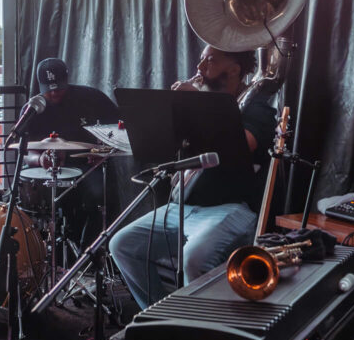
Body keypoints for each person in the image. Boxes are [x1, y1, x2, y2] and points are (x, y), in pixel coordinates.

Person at [109, 45, 276, 311]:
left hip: (230, 208)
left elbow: (242, 144)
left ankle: (201, 332)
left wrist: (197, 103)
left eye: (210, 60)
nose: (199, 68)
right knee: (121, 245)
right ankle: (161, 316)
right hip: (181, 206)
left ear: (234, 69)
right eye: (200, 60)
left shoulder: (258, 108)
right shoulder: (195, 105)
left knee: (194, 259)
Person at [23, 58, 119, 247]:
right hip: (49, 171)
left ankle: (90, 254)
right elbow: (24, 152)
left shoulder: (92, 98)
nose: (54, 92)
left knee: (100, 197)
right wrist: (40, 158)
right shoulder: (33, 109)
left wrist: (104, 149)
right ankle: (55, 255)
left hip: (88, 166)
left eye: (59, 87)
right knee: (44, 204)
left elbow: (120, 128)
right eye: (48, 88)